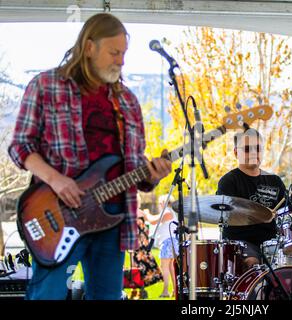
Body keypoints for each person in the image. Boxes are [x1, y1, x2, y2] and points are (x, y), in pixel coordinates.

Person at [8, 13, 172, 300]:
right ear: (89, 48)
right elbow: (20, 146)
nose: (121, 60)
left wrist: (152, 176)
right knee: (47, 294)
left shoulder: (128, 102)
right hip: (57, 214)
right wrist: (57, 180)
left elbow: (134, 168)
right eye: (114, 52)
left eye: (124, 53)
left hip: (112, 221)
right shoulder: (46, 86)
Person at [216, 128, 286, 271]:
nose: (254, 153)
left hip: (273, 244)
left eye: (258, 148)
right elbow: (226, 215)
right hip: (241, 244)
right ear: (236, 153)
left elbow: (288, 215)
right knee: (252, 263)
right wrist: (259, 215)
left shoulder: (275, 181)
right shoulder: (228, 181)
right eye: (247, 149)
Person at [149, 194, 179, 298]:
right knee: (171, 267)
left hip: (167, 242)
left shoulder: (167, 211)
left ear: (163, 202)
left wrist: (146, 214)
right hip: (172, 242)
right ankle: (176, 291)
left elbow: (153, 221)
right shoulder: (171, 212)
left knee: (165, 267)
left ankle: (166, 291)